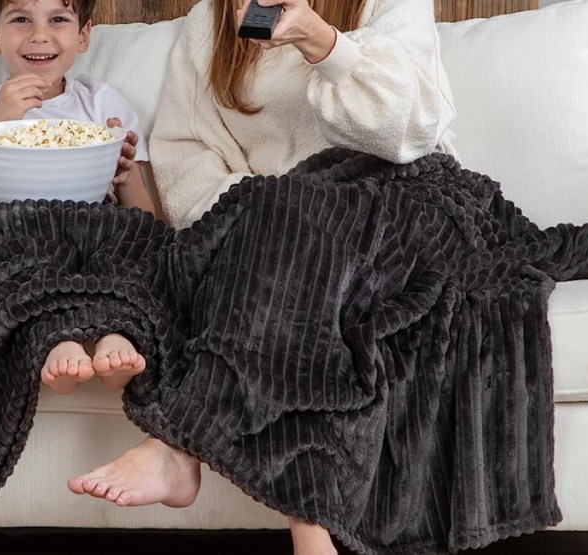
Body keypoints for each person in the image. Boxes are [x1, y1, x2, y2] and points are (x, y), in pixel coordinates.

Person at [65, 0, 457, 553]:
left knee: (298, 240)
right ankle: (311, 528)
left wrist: (323, 43)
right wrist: (261, 223)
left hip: (406, 211)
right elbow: (182, 155)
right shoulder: (213, 22)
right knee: (297, 250)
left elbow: (411, 129)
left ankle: (179, 447)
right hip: (282, 230)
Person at [0, 0, 155, 397]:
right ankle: (55, 339)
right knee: (14, 258)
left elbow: (146, 221)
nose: (39, 35)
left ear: (83, 35)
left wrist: (126, 172)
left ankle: (116, 332)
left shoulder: (101, 103)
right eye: (20, 20)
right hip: (11, 231)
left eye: (58, 20)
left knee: (123, 252)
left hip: (91, 229)